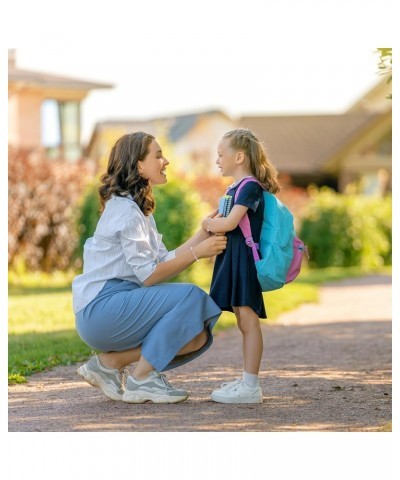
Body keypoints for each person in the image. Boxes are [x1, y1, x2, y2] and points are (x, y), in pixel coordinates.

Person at [72, 132, 227, 404]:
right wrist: (196, 254)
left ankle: (109, 364)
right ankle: (141, 378)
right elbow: (150, 276)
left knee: (195, 334)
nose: (165, 161)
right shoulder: (125, 210)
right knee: (193, 297)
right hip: (101, 308)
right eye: (157, 155)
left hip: (115, 306)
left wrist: (202, 234)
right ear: (138, 165)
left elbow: (161, 260)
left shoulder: (137, 209)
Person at [201, 128, 280, 404]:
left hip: (244, 262)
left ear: (239, 156)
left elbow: (230, 223)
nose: (217, 160)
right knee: (242, 319)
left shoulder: (250, 186)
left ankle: (251, 386)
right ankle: (247, 380)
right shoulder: (235, 187)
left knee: (248, 320)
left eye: (221, 155)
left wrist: (207, 224)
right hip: (234, 259)